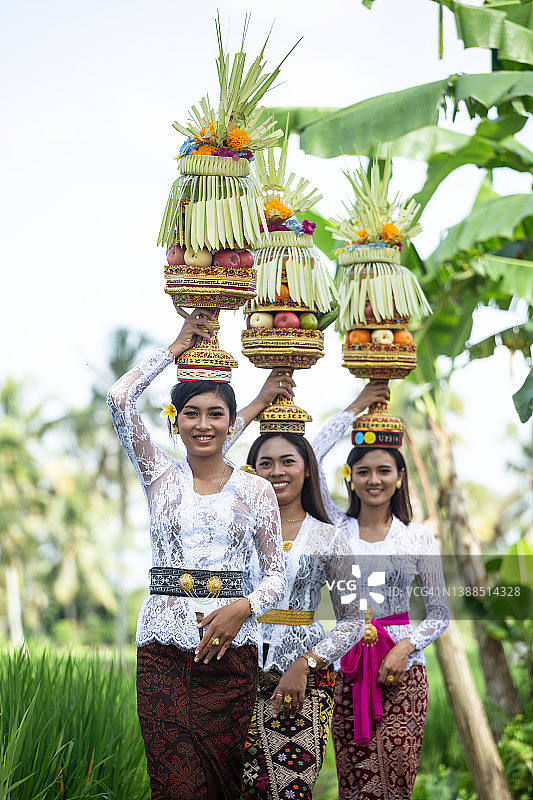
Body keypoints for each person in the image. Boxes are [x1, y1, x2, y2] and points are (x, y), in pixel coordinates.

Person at [107, 310, 287, 800]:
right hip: (161, 653)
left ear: (233, 423)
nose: (203, 424)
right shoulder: (158, 477)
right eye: (192, 413)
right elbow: (119, 398)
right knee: (176, 787)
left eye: (215, 414)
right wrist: (175, 346)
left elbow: (277, 579)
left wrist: (240, 610)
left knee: (222, 786)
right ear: (176, 420)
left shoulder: (256, 492)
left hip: (231, 658)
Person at [223, 373, 364, 800]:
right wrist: (257, 401)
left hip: (302, 684)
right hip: (232, 671)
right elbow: (212, 447)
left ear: (307, 469)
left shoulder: (329, 537)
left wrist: (306, 663)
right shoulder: (235, 525)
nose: (277, 471)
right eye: (265, 462)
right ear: (252, 469)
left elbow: (354, 621)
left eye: (289, 461)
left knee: (288, 791)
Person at [311, 382, 450, 800]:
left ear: (399, 476)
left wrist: (404, 646)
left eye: (384, 470)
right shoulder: (336, 529)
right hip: (347, 669)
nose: (374, 479)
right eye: (364, 471)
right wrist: (356, 406)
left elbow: (439, 613)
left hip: (404, 673)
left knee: (396, 776)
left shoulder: (418, 538)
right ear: (349, 478)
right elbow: (311, 455)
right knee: (355, 783)